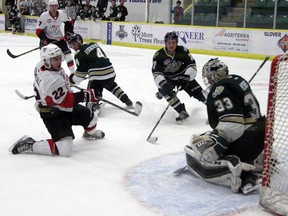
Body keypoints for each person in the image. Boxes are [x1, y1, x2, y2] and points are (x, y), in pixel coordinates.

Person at [185, 58, 265, 194]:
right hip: (262, 134)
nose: (209, 81)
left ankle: (241, 172)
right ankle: (261, 159)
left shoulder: (219, 89)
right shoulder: (236, 79)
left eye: (210, 77)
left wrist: (216, 141)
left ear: (218, 74)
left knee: (209, 140)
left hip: (248, 140)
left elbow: (233, 126)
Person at [9, 44, 105, 157]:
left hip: (61, 104)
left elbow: (63, 93)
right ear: (47, 60)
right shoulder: (51, 80)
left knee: (93, 117)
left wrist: (66, 84)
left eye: (59, 58)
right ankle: (30, 144)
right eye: (55, 59)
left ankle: (89, 134)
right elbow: (67, 101)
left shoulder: (41, 65)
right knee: (65, 149)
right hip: (51, 112)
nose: (59, 61)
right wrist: (87, 95)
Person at [66, 33, 134, 112]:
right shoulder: (93, 44)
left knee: (92, 93)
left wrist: (71, 79)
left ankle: (93, 106)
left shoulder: (79, 54)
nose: (73, 47)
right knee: (111, 85)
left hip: (97, 76)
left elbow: (80, 75)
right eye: (71, 45)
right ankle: (126, 100)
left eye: (74, 44)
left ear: (79, 41)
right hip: (111, 71)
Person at [152, 31, 206, 124]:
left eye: (173, 42)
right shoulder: (159, 55)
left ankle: (214, 107)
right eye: (169, 43)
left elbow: (192, 65)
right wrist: (162, 84)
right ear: (165, 43)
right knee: (165, 91)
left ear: (176, 43)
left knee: (199, 93)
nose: (171, 45)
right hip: (169, 79)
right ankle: (182, 111)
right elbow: (156, 73)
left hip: (183, 76)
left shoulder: (183, 51)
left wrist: (186, 77)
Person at [36, 0, 76, 74]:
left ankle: (73, 74)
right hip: (49, 40)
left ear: (57, 6)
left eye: (55, 6)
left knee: (68, 55)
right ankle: (42, 74)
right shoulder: (44, 16)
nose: (53, 8)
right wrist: (44, 39)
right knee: (46, 59)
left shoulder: (62, 13)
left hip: (60, 39)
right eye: (51, 6)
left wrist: (68, 33)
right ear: (49, 7)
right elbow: (38, 31)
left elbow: (69, 23)